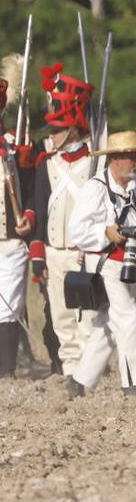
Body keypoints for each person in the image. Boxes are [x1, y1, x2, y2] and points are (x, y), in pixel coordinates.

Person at [65, 131, 136, 398]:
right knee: (127, 317)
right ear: (115, 160)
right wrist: (105, 233)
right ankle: (134, 383)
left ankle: (80, 381)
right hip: (107, 265)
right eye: (132, 157)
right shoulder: (96, 187)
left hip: (133, 263)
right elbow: (76, 230)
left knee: (108, 324)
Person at [28, 64, 96, 377]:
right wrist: (39, 254)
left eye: (57, 129)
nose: (51, 135)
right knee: (61, 317)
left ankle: (87, 372)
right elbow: (40, 210)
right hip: (56, 250)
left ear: (72, 127)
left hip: (84, 251)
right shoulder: (48, 166)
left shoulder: (95, 163)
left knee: (87, 318)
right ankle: (70, 370)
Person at [0, 78, 35, 377]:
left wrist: (28, 217)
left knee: (8, 307)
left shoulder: (14, 145)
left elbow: (31, 190)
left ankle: (6, 370)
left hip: (10, 241)